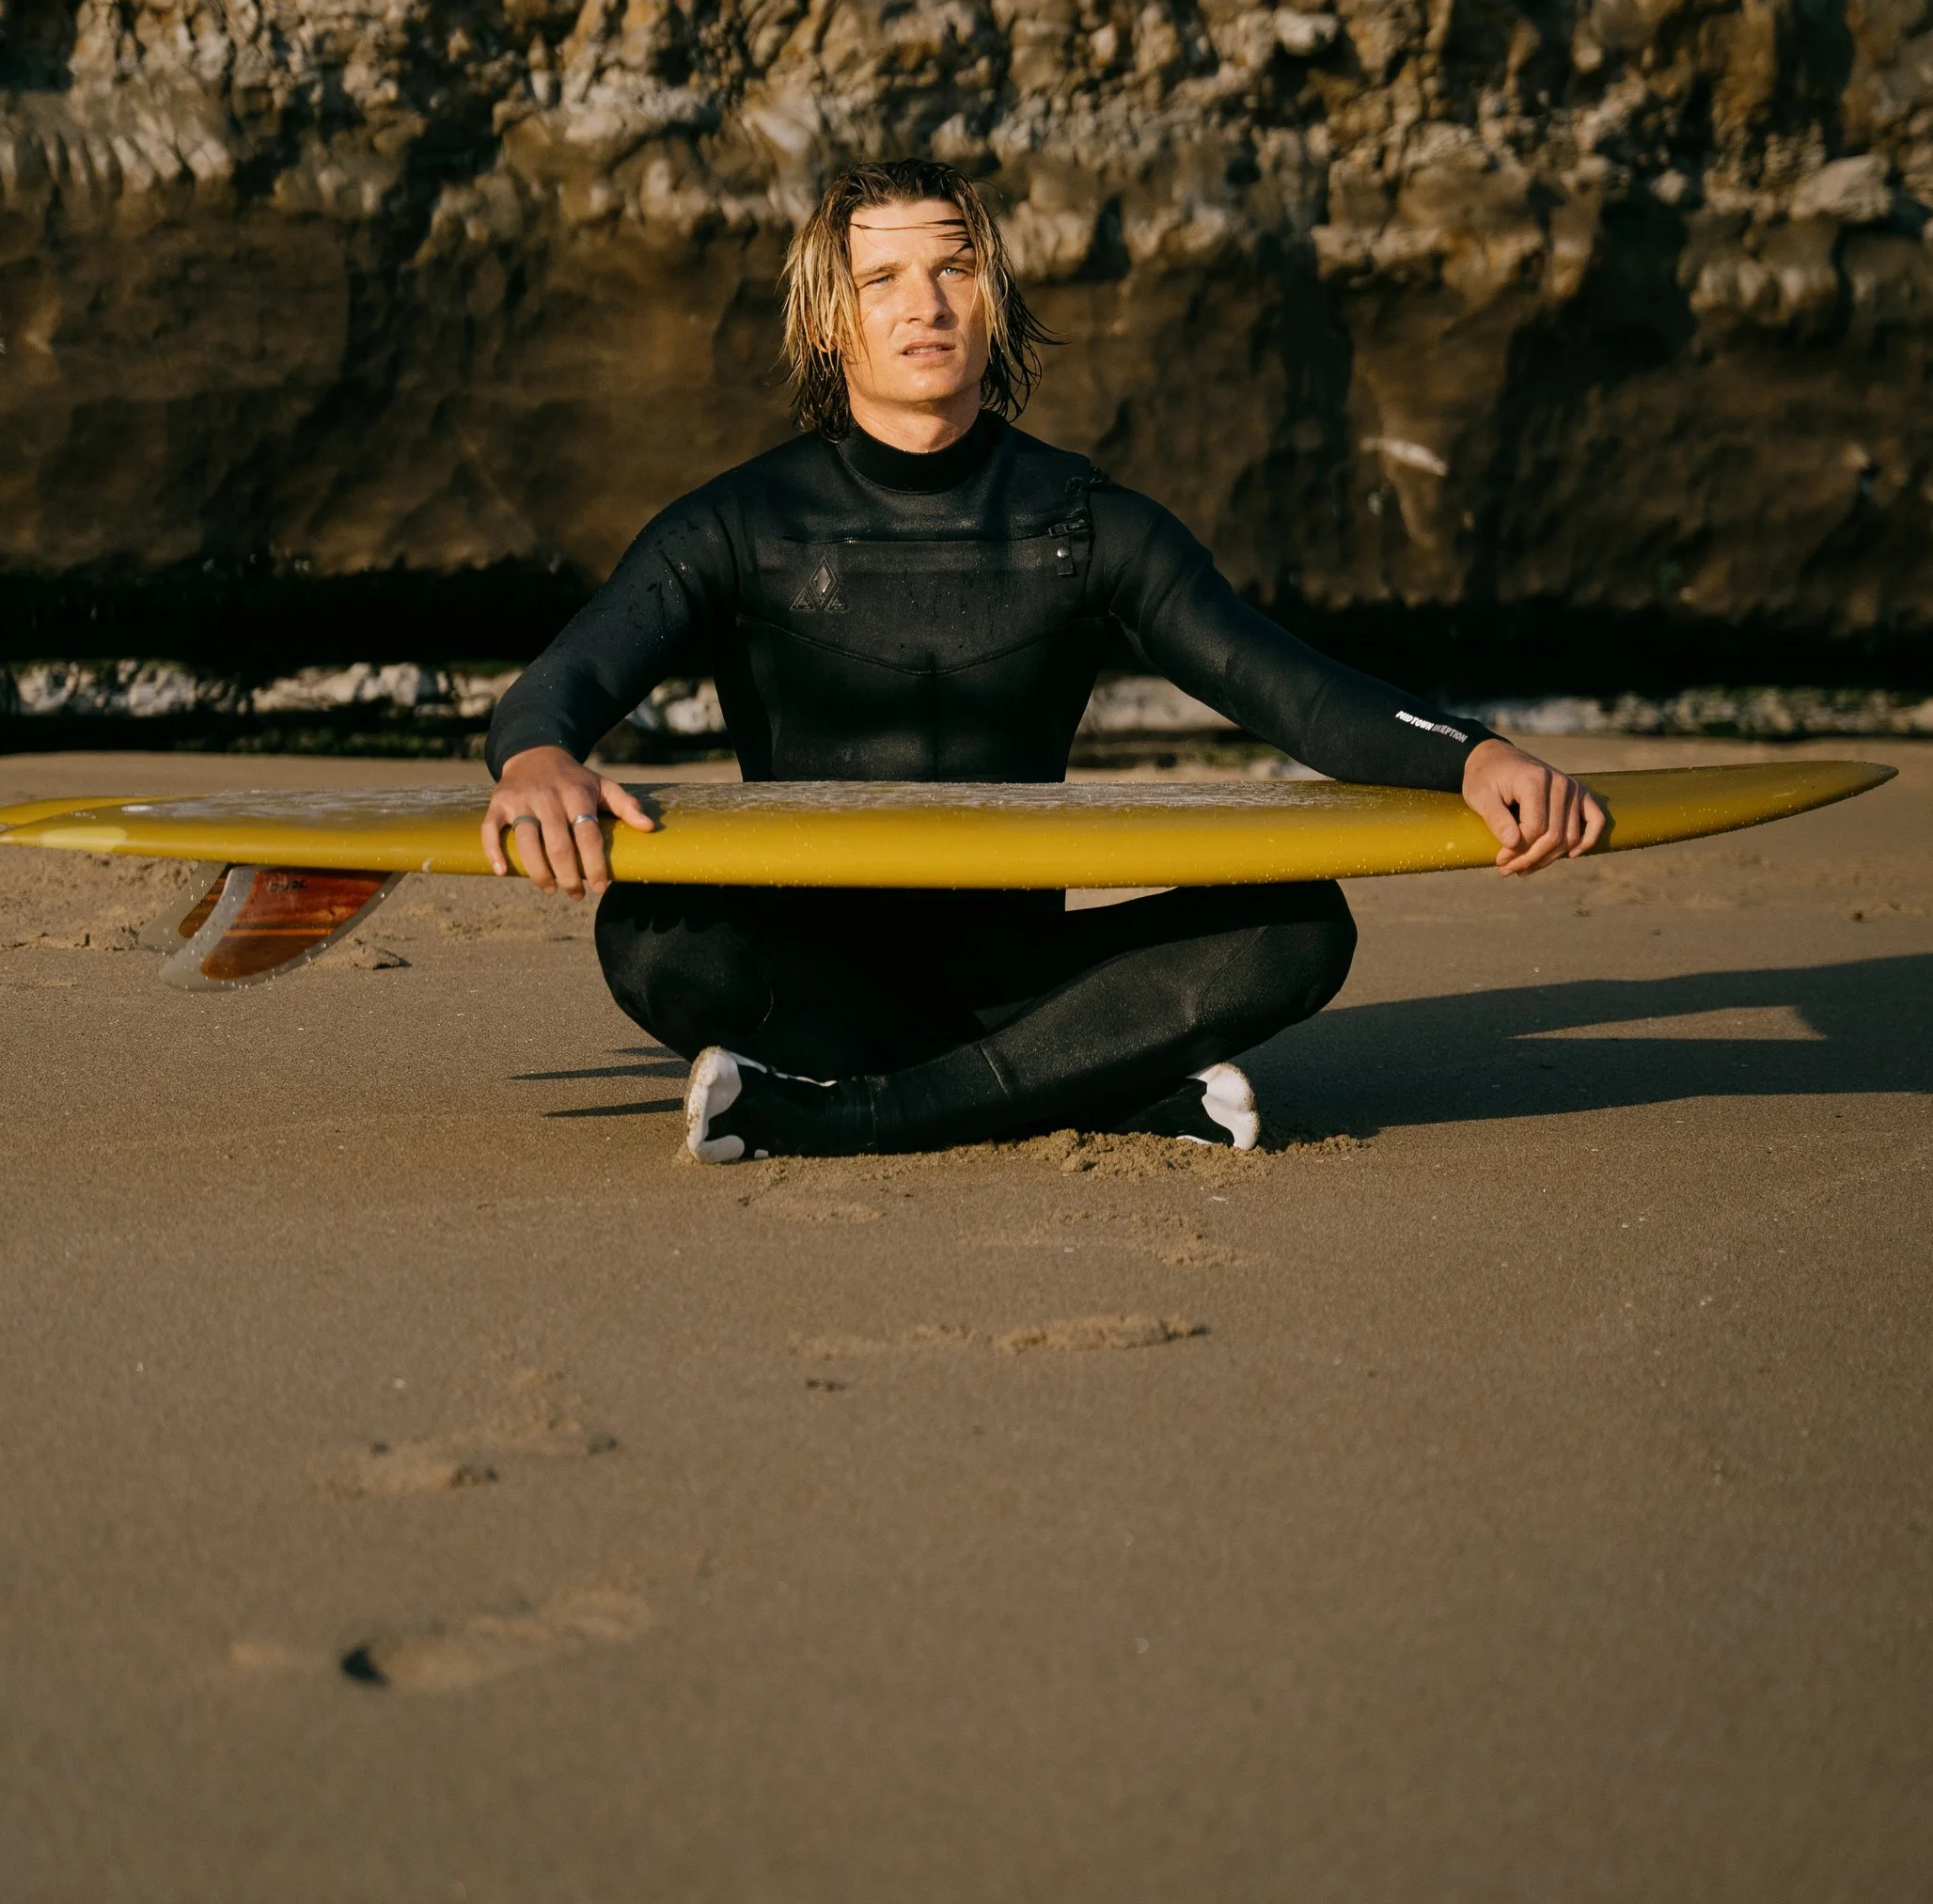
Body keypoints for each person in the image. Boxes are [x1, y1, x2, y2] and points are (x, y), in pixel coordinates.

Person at [482, 160, 1606, 1160]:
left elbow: (1285, 686)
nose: (924, 305)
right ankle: (1096, 1079)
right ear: (832, 322)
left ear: (993, 298)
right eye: (882, 280)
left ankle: (853, 1113)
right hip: (813, 971)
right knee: (651, 938)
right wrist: (537, 757)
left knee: (1300, 928)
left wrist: (1469, 756)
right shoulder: (736, 523)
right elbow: (569, 677)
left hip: (1025, 973)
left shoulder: (1085, 522)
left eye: (955, 270)